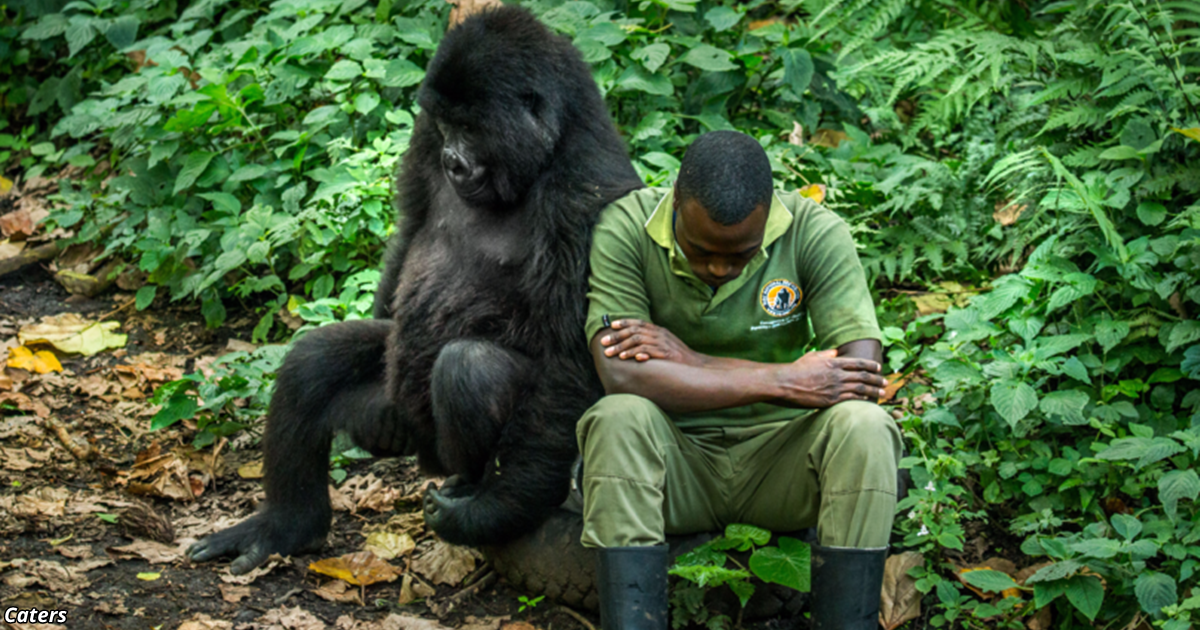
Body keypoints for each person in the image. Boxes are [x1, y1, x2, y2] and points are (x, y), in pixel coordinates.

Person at [578, 130, 902, 629]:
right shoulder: (628, 227)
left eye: (741, 255)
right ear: (676, 203)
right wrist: (786, 380)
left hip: (784, 464)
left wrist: (690, 361)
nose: (719, 267)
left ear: (769, 216)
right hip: (673, 467)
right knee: (617, 418)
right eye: (701, 249)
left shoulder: (813, 231)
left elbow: (859, 376)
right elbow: (621, 374)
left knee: (865, 426)